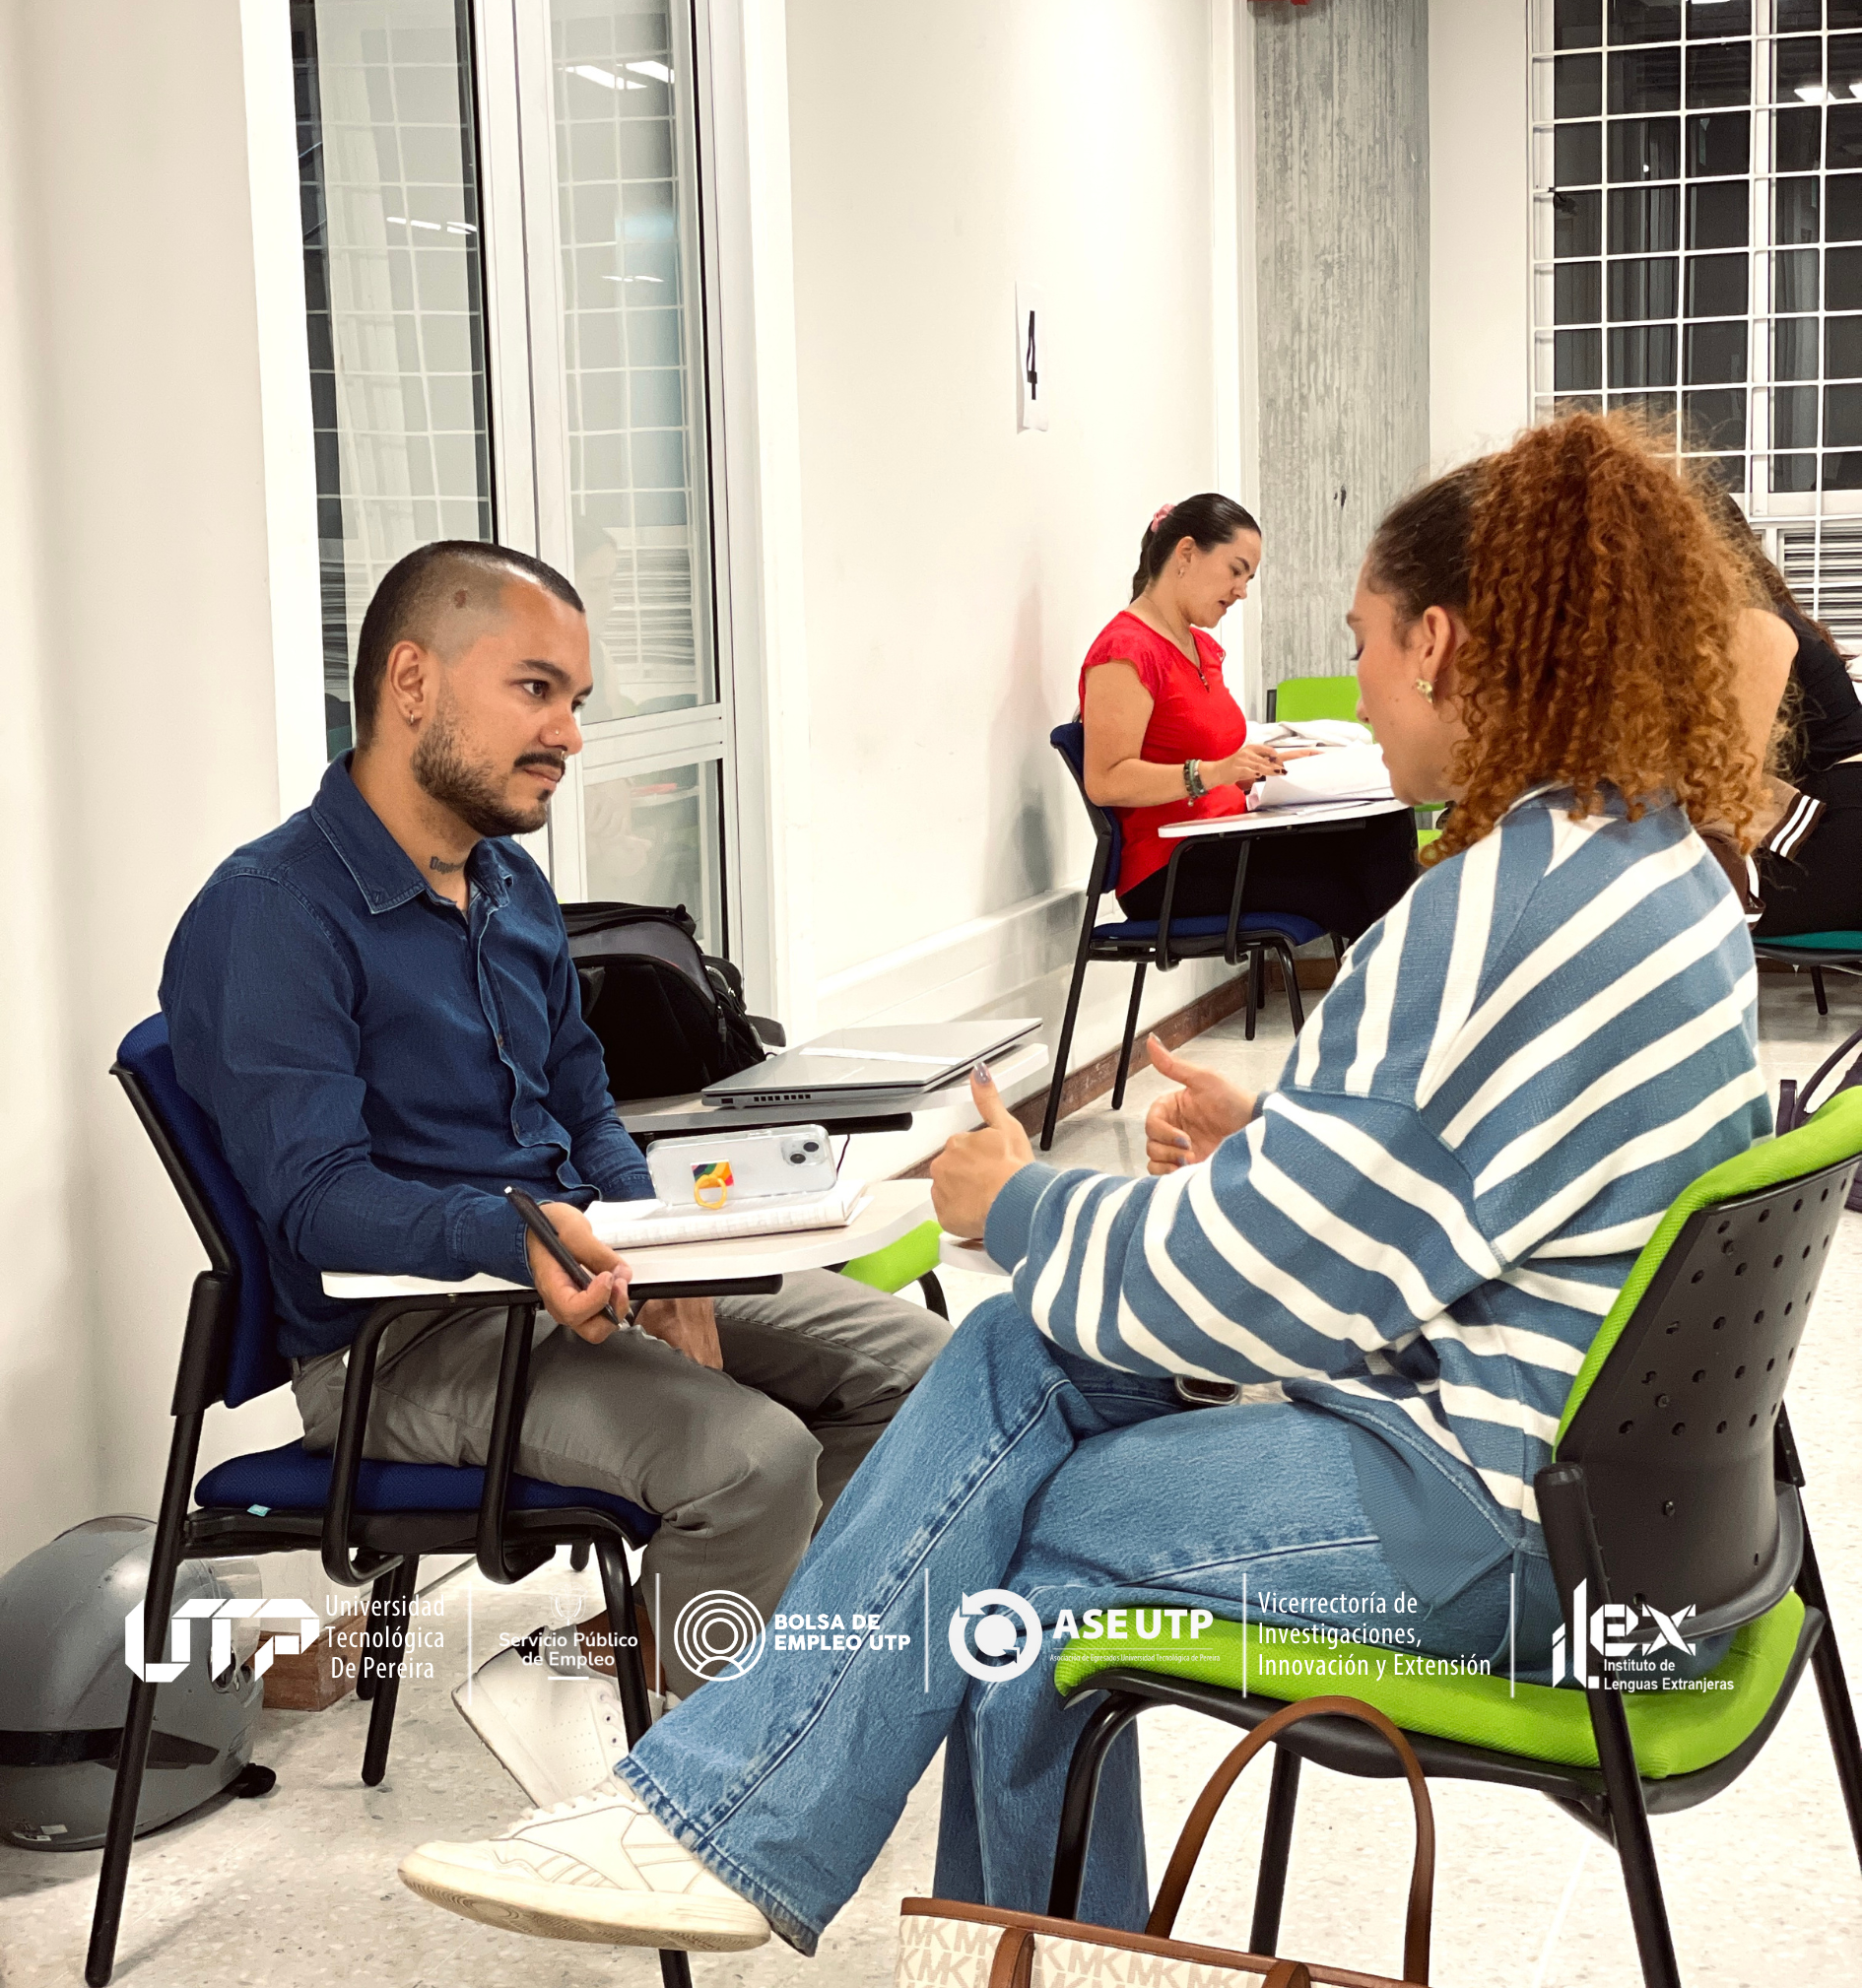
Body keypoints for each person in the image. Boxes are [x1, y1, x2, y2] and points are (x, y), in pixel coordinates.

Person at [395, 417, 1769, 1956]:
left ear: (1440, 643)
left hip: (1505, 1531)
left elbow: (1248, 1302)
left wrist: (1020, 1197)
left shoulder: (1486, 910)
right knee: (1018, 1424)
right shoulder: (1655, 867)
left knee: (1018, 1514)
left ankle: (737, 1824)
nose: (1360, 693)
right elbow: (1464, 1180)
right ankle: (786, 1843)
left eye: (1364, 647)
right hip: (1643, 1525)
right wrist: (1281, 1140)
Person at [161, 539, 947, 1771]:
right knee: (754, 1458)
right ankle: (700, 1792)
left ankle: (646, 1653)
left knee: (925, 1372)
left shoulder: (508, 884)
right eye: (538, 689)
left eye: (575, 700)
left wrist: (661, 1247)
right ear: (411, 680)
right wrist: (520, 1238)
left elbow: (585, 1096)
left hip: (576, 1273)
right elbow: (318, 1199)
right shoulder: (271, 913)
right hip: (404, 1339)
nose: (570, 733)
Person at [1080, 493, 1416, 945]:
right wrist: (1214, 773)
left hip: (1226, 838)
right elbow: (1106, 780)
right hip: (1171, 866)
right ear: (1186, 553)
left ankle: (1408, 993)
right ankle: (1401, 996)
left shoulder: (1198, 648)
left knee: (1382, 826)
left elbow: (1209, 756)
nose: (1241, 590)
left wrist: (1271, 763)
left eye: (1249, 577)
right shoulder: (1124, 652)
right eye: (1236, 570)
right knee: (1342, 887)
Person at [1700, 483, 1862, 935]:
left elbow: (1728, 778)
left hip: (1841, 826)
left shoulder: (1752, 623)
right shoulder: (1760, 613)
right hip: (1831, 810)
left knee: (1676, 912)